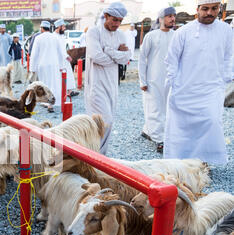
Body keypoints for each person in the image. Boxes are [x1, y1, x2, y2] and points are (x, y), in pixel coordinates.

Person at [164, 0, 232, 165]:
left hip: (212, 89)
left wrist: (226, 77)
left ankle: (204, 162)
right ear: (197, 10)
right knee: (181, 128)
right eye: (205, 9)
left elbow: (229, 56)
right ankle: (179, 164)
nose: (209, 13)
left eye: (214, 9)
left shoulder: (226, 30)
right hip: (185, 89)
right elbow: (171, 59)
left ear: (219, 9)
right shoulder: (184, 31)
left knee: (211, 122)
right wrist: (173, 83)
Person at [84, 2, 130, 155]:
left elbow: (126, 58)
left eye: (120, 21)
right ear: (106, 16)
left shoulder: (121, 35)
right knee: (105, 121)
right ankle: (95, 155)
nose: (117, 24)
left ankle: (98, 156)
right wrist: (117, 56)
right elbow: (96, 56)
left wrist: (109, 51)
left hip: (112, 85)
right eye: (114, 20)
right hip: (96, 84)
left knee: (107, 123)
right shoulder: (93, 32)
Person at [138, 7, 176, 154]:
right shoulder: (151, 36)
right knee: (154, 109)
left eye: (173, 16)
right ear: (161, 19)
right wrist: (143, 81)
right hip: (153, 79)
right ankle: (160, 140)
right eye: (169, 16)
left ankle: (147, 130)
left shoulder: (176, 35)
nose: (172, 19)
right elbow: (142, 59)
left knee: (167, 108)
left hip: (170, 80)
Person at [30, 21, 65, 112]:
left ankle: (47, 102)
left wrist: (32, 68)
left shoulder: (38, 38)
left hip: (42, 65)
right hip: (54, 64)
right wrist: (61, 66)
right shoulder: (55, 37)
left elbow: (34, 54)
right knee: (54, 83)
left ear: (42, 28)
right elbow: (60, 53)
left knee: (45, 84)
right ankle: (53, 102)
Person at [54, 18, 78, 97]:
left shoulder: (61, 36)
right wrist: (67, 56)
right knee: (60, 75)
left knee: (68, 74)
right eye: (63, 27)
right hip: (58, 60)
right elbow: (59, 49)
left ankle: (69, 91)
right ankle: (62, 91)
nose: (65, 28)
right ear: (59, 27)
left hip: (64, 59)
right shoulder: (54, 36)